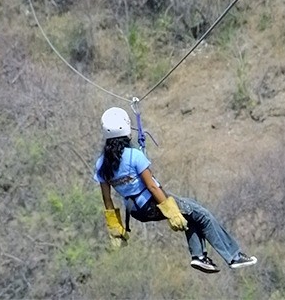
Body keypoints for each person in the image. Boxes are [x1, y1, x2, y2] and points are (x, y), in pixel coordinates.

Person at [93, 107, 257, 273]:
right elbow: (152, 186)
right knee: (202, 214)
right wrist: (171, 211)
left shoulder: (101, 164)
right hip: (153, 203)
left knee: (191, 211)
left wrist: (115, 229)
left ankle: (199, 257)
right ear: (127, 129)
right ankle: (233, 257)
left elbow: (107, 200)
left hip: (136, 212)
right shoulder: (134, 156)